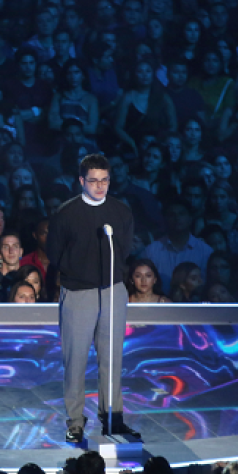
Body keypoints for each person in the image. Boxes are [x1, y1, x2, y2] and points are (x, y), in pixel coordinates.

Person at [45, 153, 138, 443]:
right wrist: (76, 274)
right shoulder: (67, 213)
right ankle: (75, 420)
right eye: (94, 181)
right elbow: (55, 252)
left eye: (105, 180)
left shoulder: (121, 211)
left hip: (112, 289)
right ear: (82, 181)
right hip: (78, 293)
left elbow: (124, 248)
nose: (100, 186)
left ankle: (112, 416)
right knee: (75, 359)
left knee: (112, 357)